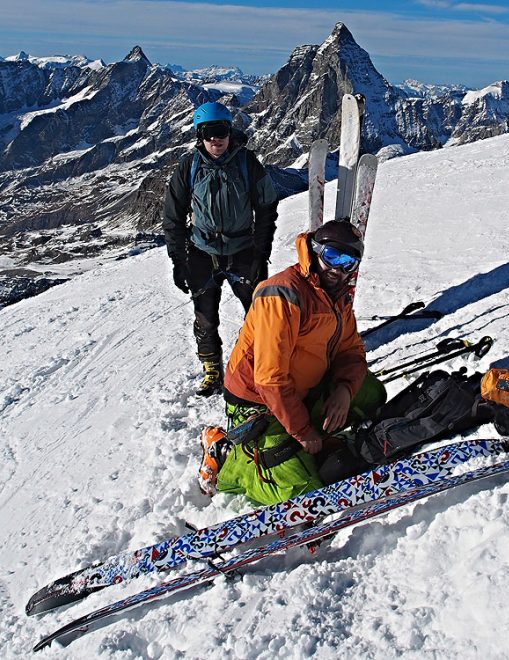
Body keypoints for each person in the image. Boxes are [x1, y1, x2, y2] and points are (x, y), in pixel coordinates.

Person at [198, 220, 387, 505]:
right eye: (333, 257)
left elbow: (351, 352)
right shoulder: (282, 294)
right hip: (259, 405)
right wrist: (303, 431)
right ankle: (226, 457)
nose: (339, 269)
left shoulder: (338, 299)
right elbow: (269, 380)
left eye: (349, 262)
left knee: (370, 394)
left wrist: (344, 391)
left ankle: (307, 435)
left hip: (302, 391)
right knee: (303, 491)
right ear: (314, 251)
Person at [163, 101, 279, 395]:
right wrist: (179, 260)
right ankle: (212, 368)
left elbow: (266, 208)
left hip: (243, 249)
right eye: (210, 132)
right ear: (199, 135)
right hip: (202, 251)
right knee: (205, 315)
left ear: (230, 131)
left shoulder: (247, 162)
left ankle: (256, 365)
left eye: (222, 130)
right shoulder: (188, 167)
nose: (217, 138)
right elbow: (173, 216)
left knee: (258, 313)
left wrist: (260, 254)